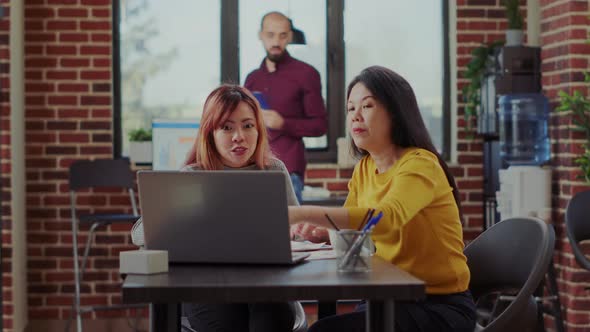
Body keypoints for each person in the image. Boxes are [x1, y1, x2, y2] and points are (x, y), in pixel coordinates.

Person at [289, 66, 477, 332]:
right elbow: (354, 231)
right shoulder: (364, 169)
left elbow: (385, 219)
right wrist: (323, 232)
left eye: (367, 106)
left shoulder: (420, 164)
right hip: (385, 298)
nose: (355, 116)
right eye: (350, 108)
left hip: (436, 306)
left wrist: (302, 212)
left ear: (396, 112)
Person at [131, 84, 299, 332]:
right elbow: (138, 235)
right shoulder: (193, 175)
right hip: (207, 288)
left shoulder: (273, 170)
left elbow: (296, 225)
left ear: (259, 130)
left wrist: (300, 229)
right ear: (210, 133)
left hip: (266, 284)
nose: (239, 136)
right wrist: (178, 214)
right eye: (227, 127)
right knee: (231, 322)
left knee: (272, 317)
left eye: (248, 125)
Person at [244, 11, 328, 203]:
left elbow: (320, 126)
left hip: (288, 171)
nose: (276, 42)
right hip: (252, 170)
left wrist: (283, 123)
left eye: (282, 35)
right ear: (261, 35)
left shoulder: (307, 74)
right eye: (270, 35)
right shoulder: (252, 79)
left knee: (289, 231)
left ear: (289, 36)